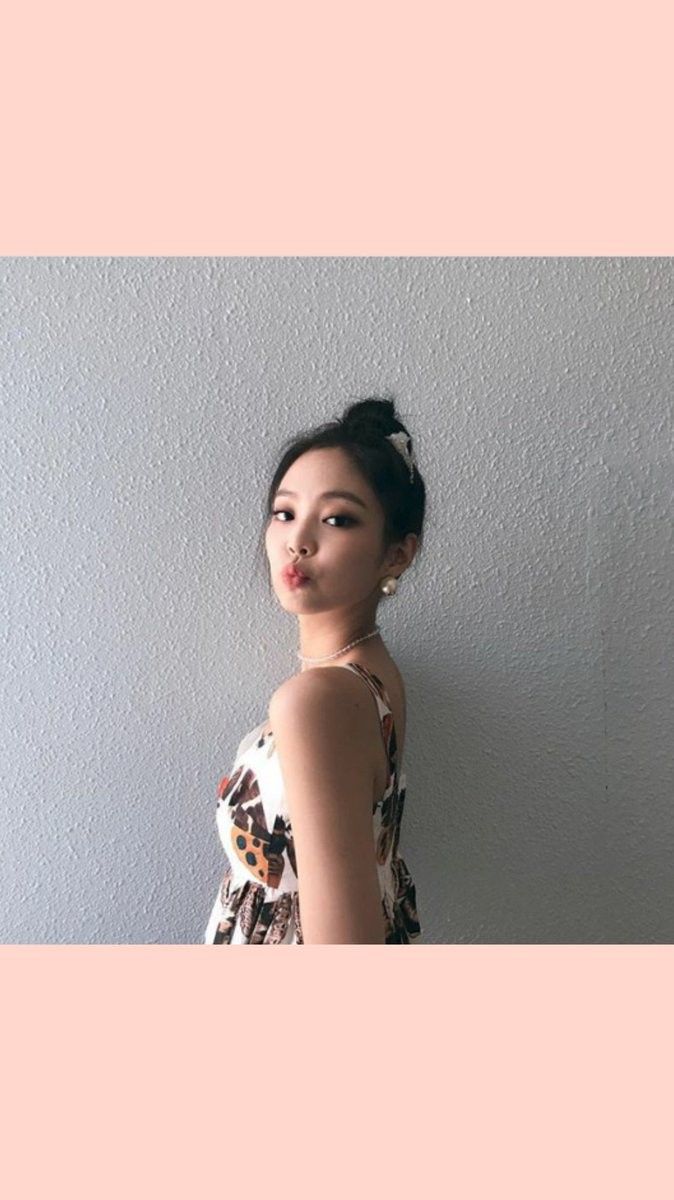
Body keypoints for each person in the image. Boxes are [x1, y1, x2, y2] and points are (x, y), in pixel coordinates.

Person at [203, 395, 426, 944]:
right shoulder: (373, 675)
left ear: (397, 554)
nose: (297, 541)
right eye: (284, 513)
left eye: (337, 519)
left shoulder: (317, 700)